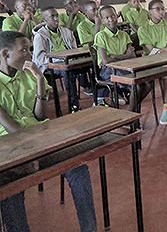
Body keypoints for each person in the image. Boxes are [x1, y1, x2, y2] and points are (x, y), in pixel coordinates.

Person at [0, 31, 97, 232]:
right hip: (8, 148)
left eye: (30, 49)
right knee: (10, 189)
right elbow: (9, 126)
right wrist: (31, 151)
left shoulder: (28, 74)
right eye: (24, 50)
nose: (29, 55)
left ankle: (90, 229)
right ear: (4, 54)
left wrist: (39, 81)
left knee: (78, 168)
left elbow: (39, 116)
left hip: (38, 139)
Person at [137, 0, 167, 127]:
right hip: (152, 61)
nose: (161, 12)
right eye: (157, 9)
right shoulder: (143, 28)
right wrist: (164, 50)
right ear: (150, 12)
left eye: (163, 9)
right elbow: (151, 50)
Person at [94, 5, 151, 110]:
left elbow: (132, 55)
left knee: (148, 83)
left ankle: (131, 109)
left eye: (113, 16)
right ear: (102, 21)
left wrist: (114, 56)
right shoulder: (100, 36)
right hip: (108, 71)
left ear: (117, 16)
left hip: (126, 67)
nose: (111, 19)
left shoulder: (124, 34)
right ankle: (132, 111)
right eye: (107, 18)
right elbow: (106, 61)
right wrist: (124, 56)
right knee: (136, 85)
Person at [32, 7, 86, 111]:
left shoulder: (66, 32)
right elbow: (40, 58)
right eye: (52, 17)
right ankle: (74, 104)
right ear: (44, 20)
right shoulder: (40, 36)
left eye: (57, 15)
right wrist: (58, 59)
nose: (56, 18)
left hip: (68, 61)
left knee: (88, 64)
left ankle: (98, 97)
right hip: (50, 65)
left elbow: (74, 50)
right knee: (67, 72)